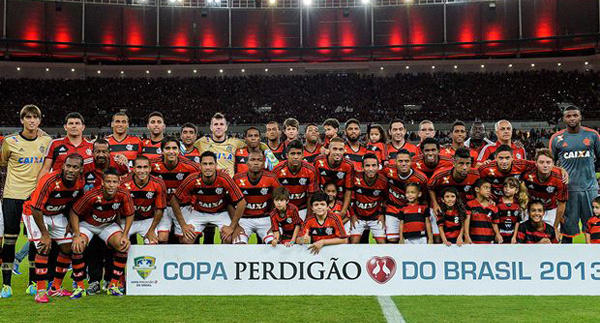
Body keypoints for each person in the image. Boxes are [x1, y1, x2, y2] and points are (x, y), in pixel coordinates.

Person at [0, 105, 52, 298]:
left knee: (34, 241)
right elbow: (2, 162)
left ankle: (32, 282)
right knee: (10, 240)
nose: (31, 121)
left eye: (35, 118)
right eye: (28, 117)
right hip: (13, 195)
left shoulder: (47, 141)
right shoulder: (10, 141)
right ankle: (6, 284)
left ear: (39, 120)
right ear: (22, 120)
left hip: (35, 197)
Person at [22, 154, 85, 303]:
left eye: (75, 167)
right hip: (34, 213)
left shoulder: (80, 183)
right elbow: (36, 208)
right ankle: (41, 291)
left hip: (56, 213)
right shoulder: (49, 180)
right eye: (68, 166)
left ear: (81, 169)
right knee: (44, 247)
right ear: (63, 166)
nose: (70, 170)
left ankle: (55, 288)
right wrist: (45, 234)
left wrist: (71, 222)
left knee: (69, 248)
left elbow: (74, 205)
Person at [69, 168, 135, 298]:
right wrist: (76, 235)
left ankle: (113, 285)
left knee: (123, 245)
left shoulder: (124, 194)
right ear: (102, 182)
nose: (111, 185)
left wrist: (125, 234)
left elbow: (130, 214)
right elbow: (74, 212)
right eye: (108, 181)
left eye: (114, 182)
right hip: (88, 225)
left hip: (107, 225)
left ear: (119, 182)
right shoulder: (92, 195)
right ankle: (80, 288)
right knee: (78, 247)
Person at [170, 151, 246, 244]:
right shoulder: (192, 179)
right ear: (200, 166)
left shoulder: (224, 178)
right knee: (186, 239)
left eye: (211, 164)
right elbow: (174, 201)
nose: (208, 167)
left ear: (216, 165)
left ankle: (222, 258)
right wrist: (183, 225)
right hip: (199, 212)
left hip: (220, 212)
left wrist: (232, 227)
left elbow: (242, 202)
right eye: (205, 164)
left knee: (229, 238)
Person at [549, 105, 600, 243]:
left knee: (595, 229)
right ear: (564, 118)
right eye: (568, 116)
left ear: (580, 117)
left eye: (575, 115)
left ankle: (594, 261)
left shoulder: (593, 135)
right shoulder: (556, 138)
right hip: (568, 190)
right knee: (567, 231)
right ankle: (567, 260)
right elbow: (549, 164)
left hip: (590, 190)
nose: (572, 118)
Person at [150, 137, 201, 243]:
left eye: (174, 148)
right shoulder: (152, 165)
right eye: (167, 148)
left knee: (187, 240)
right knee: (162, 238)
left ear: (179, 150)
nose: (171, 151)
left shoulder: (190, 166)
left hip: (183, 206)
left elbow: (201, 180)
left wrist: (193, 202)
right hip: (162, 207)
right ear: (162, 151)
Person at [233, 151, 280, 244]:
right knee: (239, 245)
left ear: (263, 163)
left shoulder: (272, 178)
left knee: (274, 244)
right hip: (244, 220)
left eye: (259, 160)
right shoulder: (237, 179)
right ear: (247, 163)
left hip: (265, 218)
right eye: (252, 160)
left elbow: (280, 200)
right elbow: (229, 204)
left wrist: (274, 222)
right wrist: (235, 225)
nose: (256, 162)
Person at [119, 156, 167, 245]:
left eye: (145, 167)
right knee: (120, 243)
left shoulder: (158, 183)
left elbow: (160, 209)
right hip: (127, 221)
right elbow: (117, 208)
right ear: (133, 169)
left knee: (153, 243)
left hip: (148, 220)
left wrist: (151, 230)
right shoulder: (123, 184)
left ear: (149, 169)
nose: (142, 171)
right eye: (139, 167)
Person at [384, 149, 428, 243]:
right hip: (393, 208)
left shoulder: (421, 178)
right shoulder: (388, 171)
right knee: (392, 239)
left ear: (411, 162)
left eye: (406, 161)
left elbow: (424, 196)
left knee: (412, 238)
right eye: (400, 161)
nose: (403, 164)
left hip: (411, 210)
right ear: (395, 162)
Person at [522, 148, 568, 230]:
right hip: (531, 208)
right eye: (541, 162)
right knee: (526, 236)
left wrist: (555, 226)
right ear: (535, 163)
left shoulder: (561, 178)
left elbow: (562, 204)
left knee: (553, 238)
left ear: (553, 164)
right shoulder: (527, 173)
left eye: (548, 162)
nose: (545, 165)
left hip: (550, 209)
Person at [38, 112, 93, 179]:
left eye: (77, 123)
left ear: (83, 127)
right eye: (71, 123)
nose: (74, 126)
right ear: (65, 127)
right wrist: (40, 188)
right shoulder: (55, 144)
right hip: (59, 187)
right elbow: (46, 169)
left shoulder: (92, 146)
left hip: (85, 188)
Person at [273, 140, 319, 221]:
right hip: (283, 208)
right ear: (287, 155)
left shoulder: (310, 170)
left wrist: (308, 217)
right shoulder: (277, 170)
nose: (296, 157)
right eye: (293, 154)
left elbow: (311, 196)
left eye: (298, 154)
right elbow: (275, 195)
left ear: (303, 155)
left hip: (303, 208)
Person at [348, 154, 388, 244]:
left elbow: (385, 199)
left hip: (375, 217)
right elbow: (349, 199)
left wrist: (382, 214)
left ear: (378, 167)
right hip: (358, 217)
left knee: (382, 243)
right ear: (362, 167)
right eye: (367, 165)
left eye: (374, 165)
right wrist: (352, 215)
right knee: (354, 242)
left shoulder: (383, 181)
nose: (370, 169)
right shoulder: (355, 179)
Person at [314, 137, 353, 221]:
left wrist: (343, 211)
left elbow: (348, 190)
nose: (337, 152)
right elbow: (315, 185)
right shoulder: (318, 161)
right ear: (329, 150)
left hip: (339, 201)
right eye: (334, 149)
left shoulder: (348, 165)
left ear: (344, 151)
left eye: (340, 149)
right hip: (322, 200)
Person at [464, 179, 502, 244]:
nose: (488, 190)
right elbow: (466, 222)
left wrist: (498, 234)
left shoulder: (493, 207)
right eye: (485, 187)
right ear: (477, 189)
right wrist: (466, 236)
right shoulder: (469, 204)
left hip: (489, 241)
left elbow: (494, 223)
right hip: (473, 241)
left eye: (489, 188)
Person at [497, 177, 528, 244]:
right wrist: (497, 234)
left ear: (516, 190)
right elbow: (494, 221)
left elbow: (518, 222)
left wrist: (514, 236)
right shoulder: (497, 203)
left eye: (511, 187)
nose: (507, 189)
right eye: (505, 186)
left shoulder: (518, 204)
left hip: (512, 236)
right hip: (500, 235)